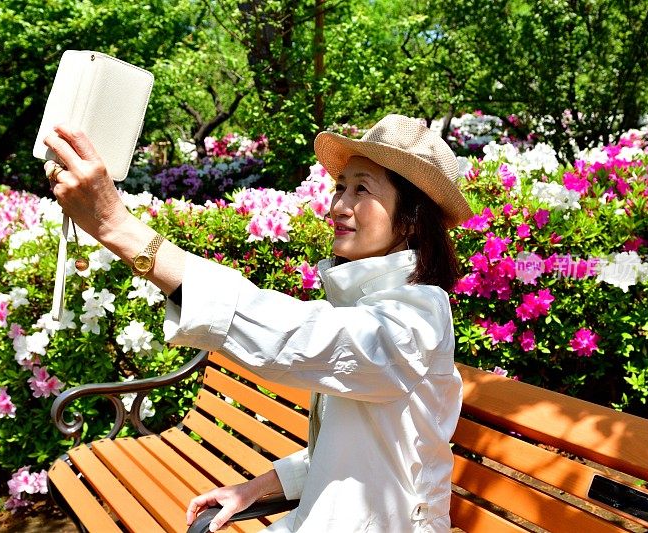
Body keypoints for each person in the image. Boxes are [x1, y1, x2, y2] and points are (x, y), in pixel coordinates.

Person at [43, 113, 472, 532]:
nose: (339, 205)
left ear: (412, 218)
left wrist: (117, 225)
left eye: (362, 190)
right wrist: (253, 490)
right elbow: (354, 452)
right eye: (341, 186)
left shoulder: (417, 317)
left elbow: (300, 338)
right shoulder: (368, 303)